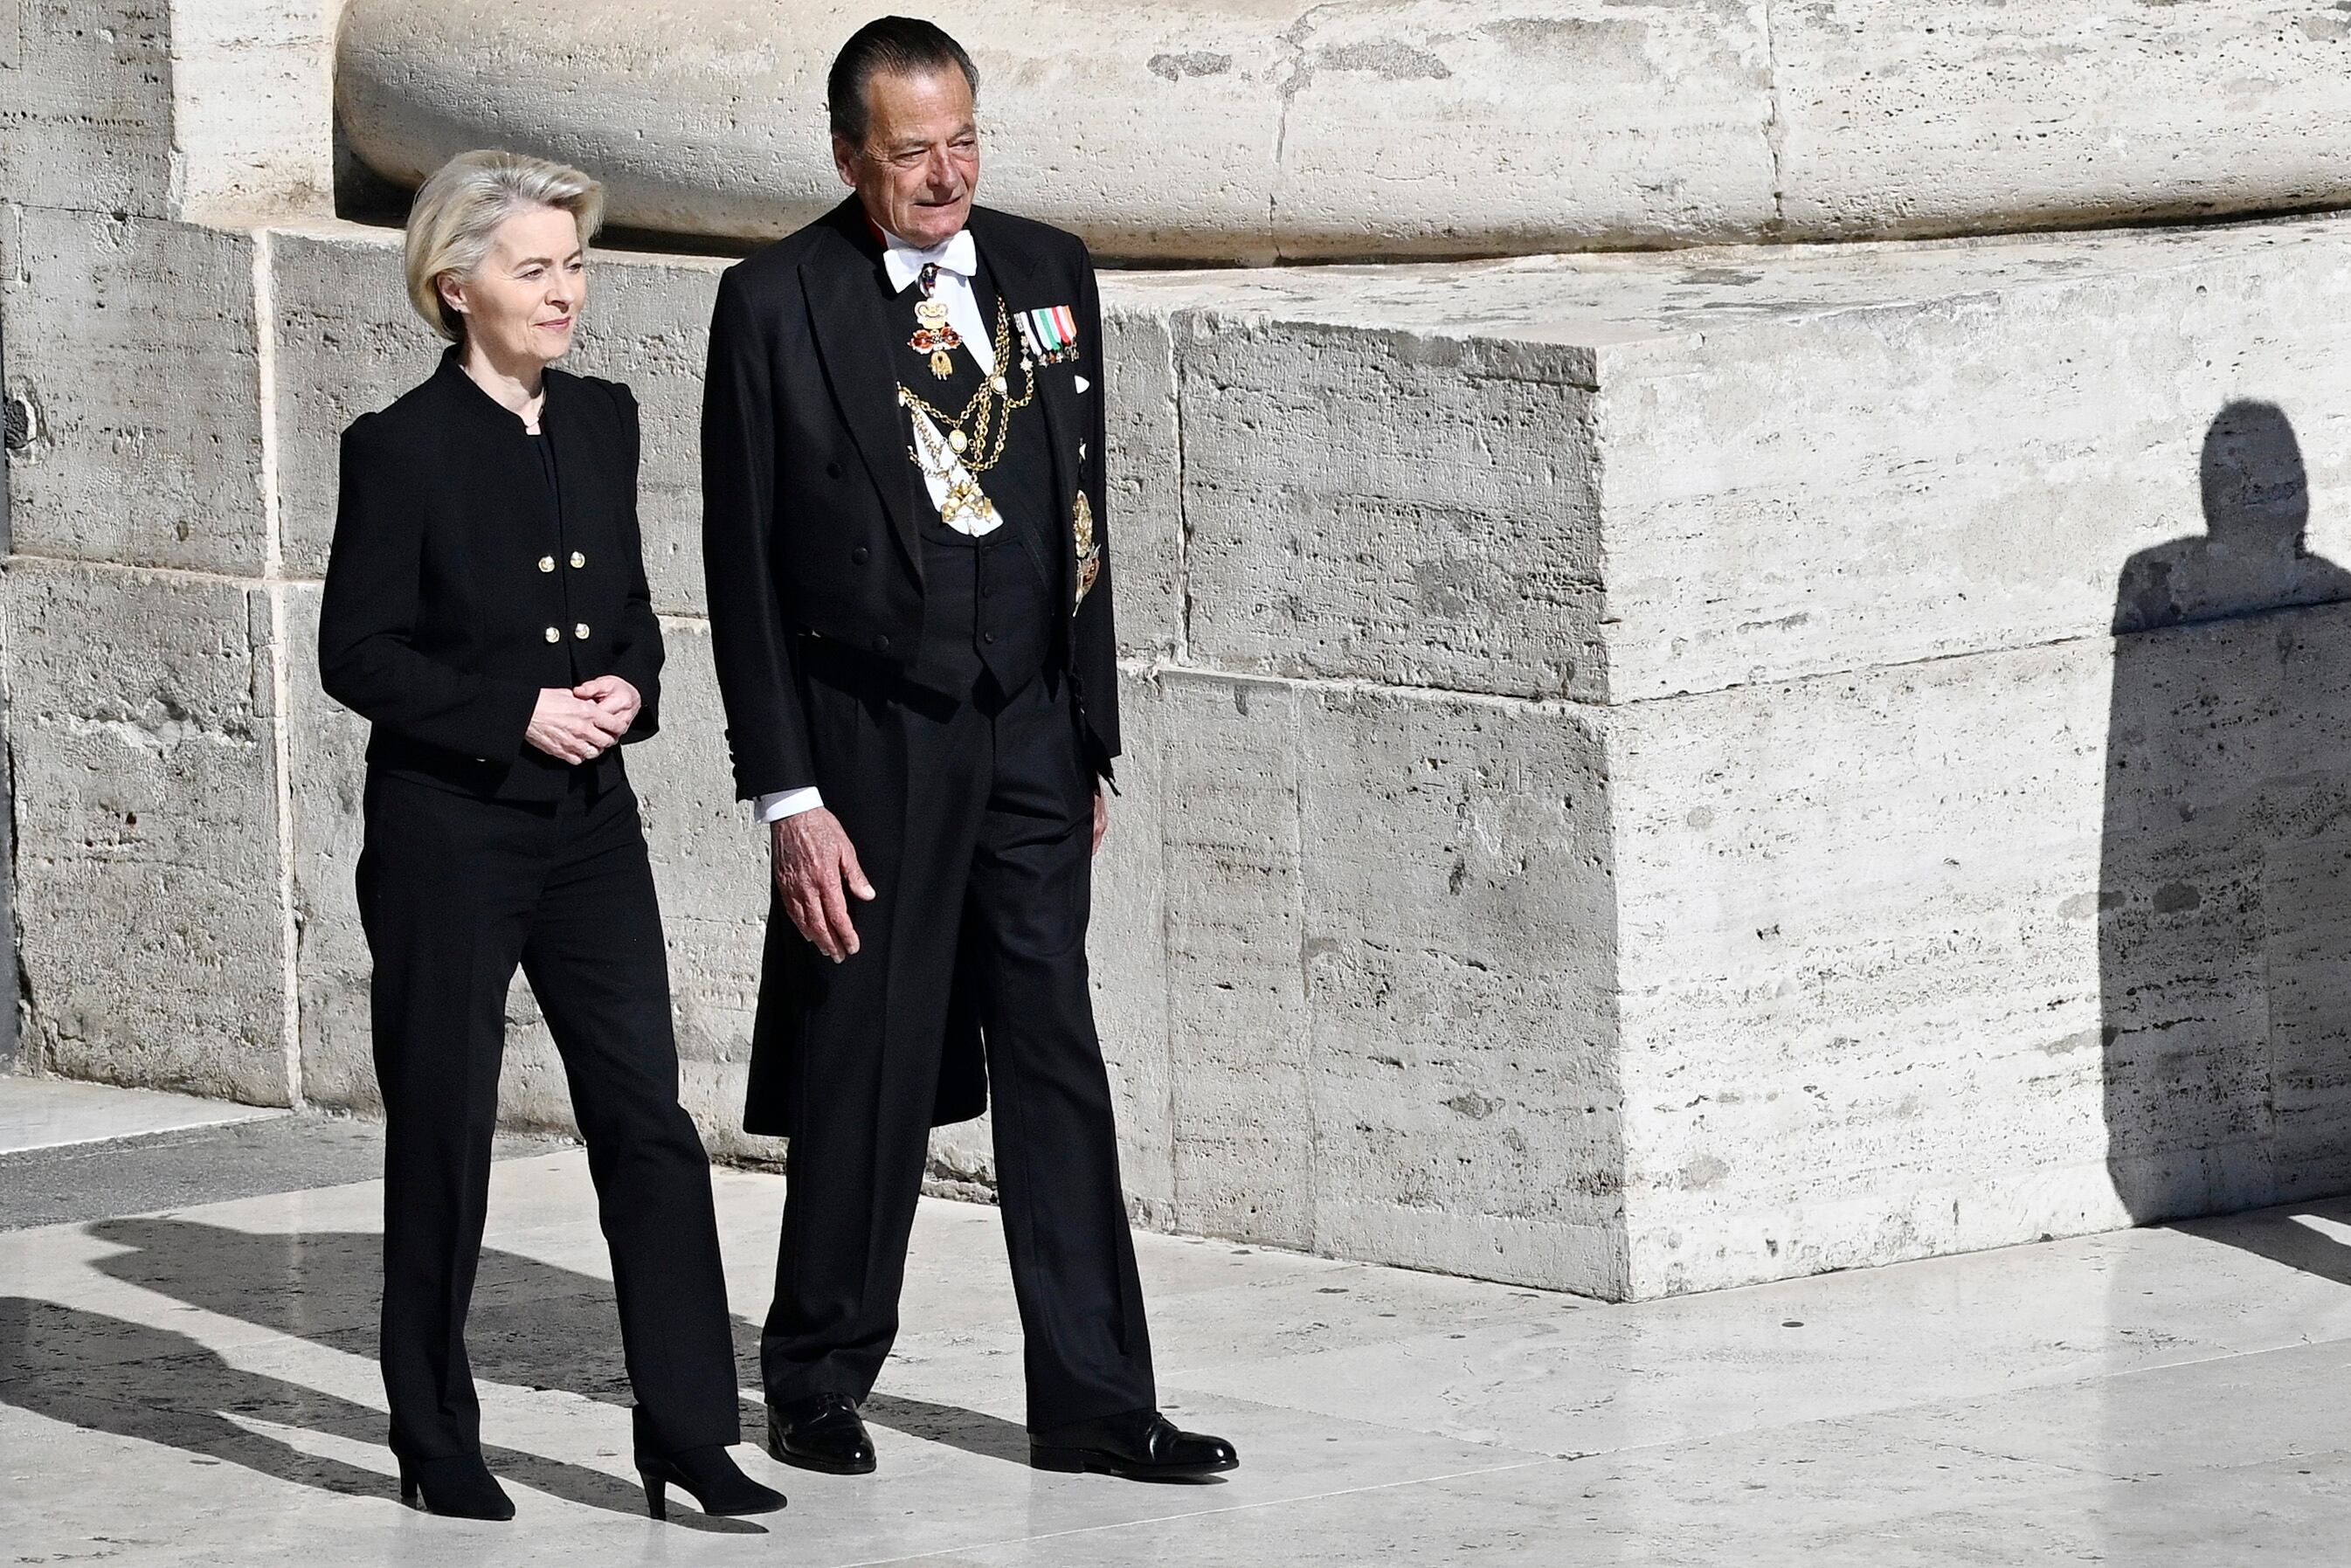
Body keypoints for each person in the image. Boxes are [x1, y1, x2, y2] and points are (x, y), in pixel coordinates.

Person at [700, 18, 1237, 1481]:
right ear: (847, 157)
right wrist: (789, 797)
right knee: (866, 1049)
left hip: (1031, 730)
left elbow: (1083, 511)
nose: (945, 176)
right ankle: (817, 1375)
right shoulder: (774, 302)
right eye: (911, 152)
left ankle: (1097, 1400)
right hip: (871, 737)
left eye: (963, 143)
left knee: (1055, 1045)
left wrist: (1089, 737)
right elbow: (740, 567)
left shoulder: (1050, 270)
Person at [318, 149, 785, 1523]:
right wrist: (511, 713)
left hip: (590, 833)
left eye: (575, 264)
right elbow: (357, 654)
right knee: (445, 1129)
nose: (565, 290)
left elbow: (628, 610)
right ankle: (433, 1434)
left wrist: (632, 684)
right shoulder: (397, 446)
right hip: (449, 836)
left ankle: (689, 1433)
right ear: (456, 285)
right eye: (535, 268)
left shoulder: (605, 418)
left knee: (648, 1118)